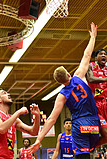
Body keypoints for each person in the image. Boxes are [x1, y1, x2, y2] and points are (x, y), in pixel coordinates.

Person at [28, 22, 99, 159]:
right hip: (94, 123)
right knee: (97, 146)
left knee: (82, 154)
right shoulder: (79, 76)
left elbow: (51, 120)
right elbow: (87, 55)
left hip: (79, 125)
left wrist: (39, 139)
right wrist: (93, 37)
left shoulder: (62, 95)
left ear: (59, 83)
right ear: (68, 74)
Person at [0, 89, 40, 159]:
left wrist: (37, 116)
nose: (8, 94)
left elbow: (33, 132)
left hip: (8, 156)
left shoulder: (14, 119)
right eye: (4, 93)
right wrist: (18, 112)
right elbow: (1, 129)